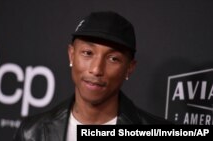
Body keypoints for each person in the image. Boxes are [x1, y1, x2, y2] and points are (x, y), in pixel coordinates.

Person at [13, 11, 171, 141]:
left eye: (113, 59)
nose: (96, 69)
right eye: (88, 53)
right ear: (71, 55)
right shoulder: (32, 133)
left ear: (129, 68)